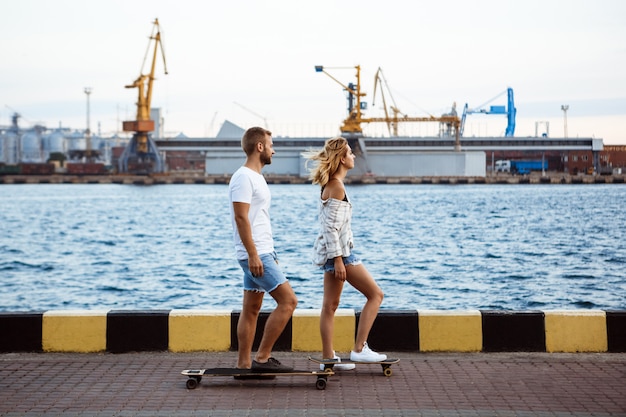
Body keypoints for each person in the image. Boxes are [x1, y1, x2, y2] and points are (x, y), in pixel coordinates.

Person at [305, 136, 387, 370]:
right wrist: (340, 261)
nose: (353, 156)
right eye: (350, 153)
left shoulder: (330, 184)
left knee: (329, 306)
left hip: (335, 254)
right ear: (342, 159)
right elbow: (331, 229)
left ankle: (328, 358)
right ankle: (360, 349)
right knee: (375, 295)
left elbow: (331, 228)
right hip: (341, 254)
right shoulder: (337, 186)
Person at [228, 126, 298, 372]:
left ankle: (244, 364)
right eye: (270, 145)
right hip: (255, 254)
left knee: (252, 309)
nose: (273, 150)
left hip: (262, 251)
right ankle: (262, 359)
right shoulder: (243, 177)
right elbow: (241, 218)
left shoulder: (256, 177)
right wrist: (253, 255)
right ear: (260, 147)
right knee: (289, 302)